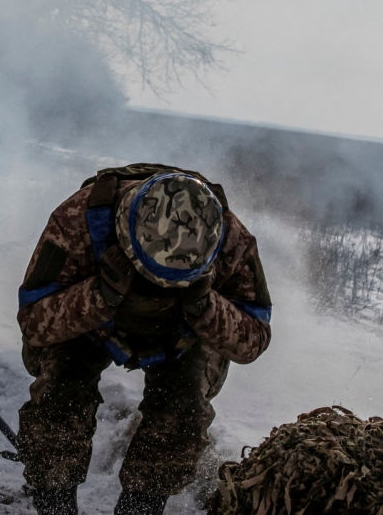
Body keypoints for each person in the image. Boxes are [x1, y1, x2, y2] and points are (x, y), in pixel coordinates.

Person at [16, 163, 273, 515]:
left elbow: (254, 338)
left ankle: (142, 507)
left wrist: (205, 306)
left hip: (183, 335)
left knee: (183, 414)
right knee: (59, 398)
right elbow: (33, 321)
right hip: (91, 322)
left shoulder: (230, 239)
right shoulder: (79, 220)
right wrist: (100, 295)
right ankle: (54, 503)